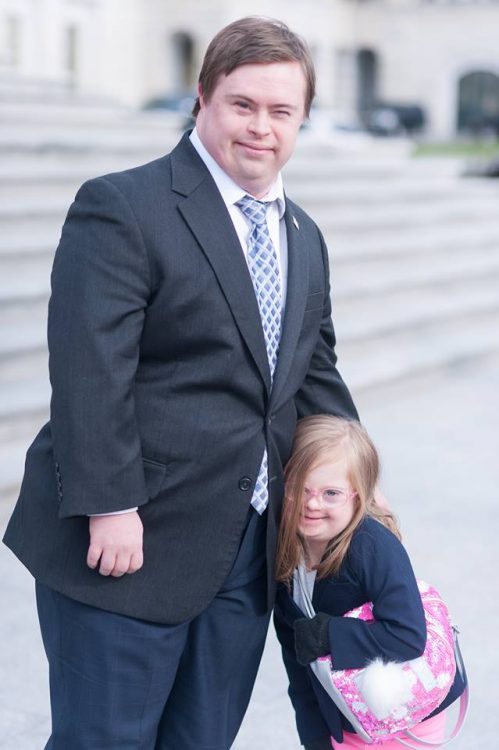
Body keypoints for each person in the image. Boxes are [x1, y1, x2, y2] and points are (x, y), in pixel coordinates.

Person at [2, 16, 360, 750]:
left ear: (301, 120)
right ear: (202, 98)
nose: (261, 128)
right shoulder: (123, 207)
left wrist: (360, 495)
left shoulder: (302, 235)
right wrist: (110, 506)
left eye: (280, 111)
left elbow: (313, 373)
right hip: (128, 544)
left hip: (244, 551)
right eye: (243, 105)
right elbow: (87, 371)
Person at [274, 415, 466, 750]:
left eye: (331, 493)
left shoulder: (374, 548)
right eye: (300, 488)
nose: (312, 503)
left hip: (407, 713)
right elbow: (298, 663)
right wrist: (315, 737)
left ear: (358, 497)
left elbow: (407, 634)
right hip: (344, 717)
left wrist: (328, 635)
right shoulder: (287, 557)